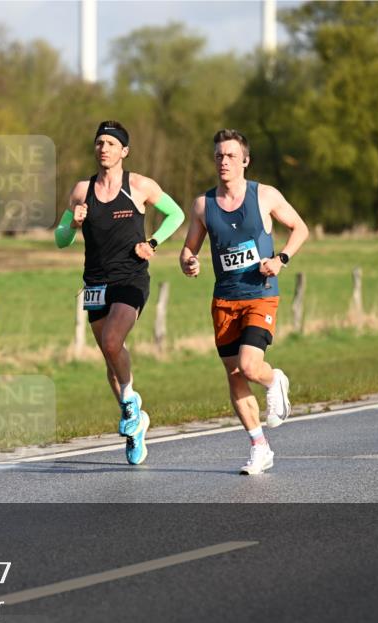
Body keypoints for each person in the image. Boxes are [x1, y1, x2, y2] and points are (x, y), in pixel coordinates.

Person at [179, 128, 309, 475]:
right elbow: (189, 249)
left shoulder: (264, 195)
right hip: (224, 299)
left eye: (231, 156)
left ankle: (274, 379)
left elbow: (300, 228)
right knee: (234, 373)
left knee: (250, 366)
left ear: (245, 161)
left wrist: (281, 259)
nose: (224, 161)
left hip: (260, 294)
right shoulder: (203, 205)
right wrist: (189, 262)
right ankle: (259, 446)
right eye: (219, 156)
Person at [55, 120, 185, 464]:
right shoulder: (81, 190)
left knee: (113, 342)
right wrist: (73, 223)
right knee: (111, 359)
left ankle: (130, 402)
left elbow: (176, 214)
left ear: (124, 151)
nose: (104, 148)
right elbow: (61, 239)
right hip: (95, 283)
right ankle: (135, 427)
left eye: (111, 143)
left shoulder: (139, 185)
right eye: (99, 142)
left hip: (130, 278)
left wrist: (153, 242)